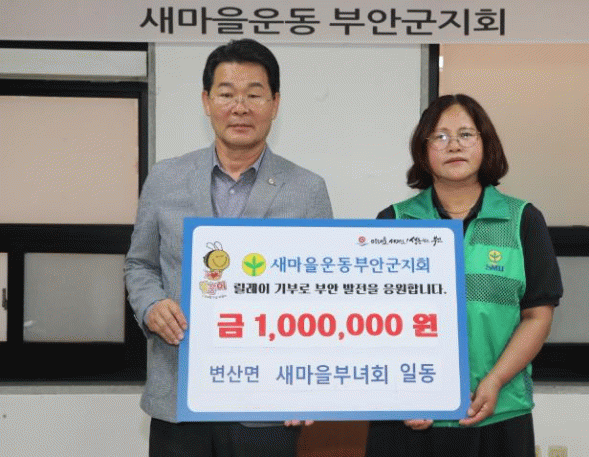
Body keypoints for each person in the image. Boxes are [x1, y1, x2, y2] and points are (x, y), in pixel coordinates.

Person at [124, 38, 333, 457]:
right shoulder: (165, 178)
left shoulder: (307, 189)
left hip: (270, 400)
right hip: (179, 394)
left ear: (275, 103)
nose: (240, 107)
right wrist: (151, 306)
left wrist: (307, 385)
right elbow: (140, 264)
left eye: (254, 94)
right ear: (206, 101)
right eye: (226, 94)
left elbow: (322, 292)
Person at [365, 94, 562, 457]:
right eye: (440, 136)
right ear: (423, 149)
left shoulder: (523, 220)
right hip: (409, 417)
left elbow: (537, 315)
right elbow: (373, 319)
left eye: (466, 134)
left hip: (499, 413)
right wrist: (403, 393)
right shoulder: (393, 220)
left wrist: (495, 380)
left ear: (486, 144)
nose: (454, 145)